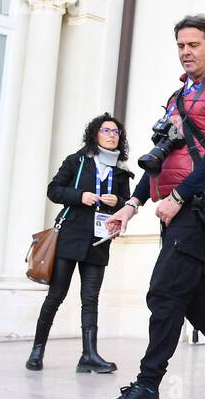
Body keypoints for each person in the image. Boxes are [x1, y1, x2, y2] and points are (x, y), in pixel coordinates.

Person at [99, 15, 205, 399]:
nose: (186, 51)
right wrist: (132, 204)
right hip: (174, 206)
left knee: (164, 292)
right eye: (180, 45)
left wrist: (178, 196)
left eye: (193, 44)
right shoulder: (179, 95)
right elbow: (160, 160)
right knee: (192, 295)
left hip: (200, 205)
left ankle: (147, 386)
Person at [26, 113, 132, 373]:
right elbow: (54, 190)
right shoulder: (77, 162)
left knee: (91, 299)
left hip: (99, 240)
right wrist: (79, 195)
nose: (111, 135)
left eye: (115, 132)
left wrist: (116, 202)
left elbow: (126, 202)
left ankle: (89, 355)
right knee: (56, 295)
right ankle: (37, 351)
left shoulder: (121, 173)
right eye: (106, 130)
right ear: (95, 134)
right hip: (70, 236)